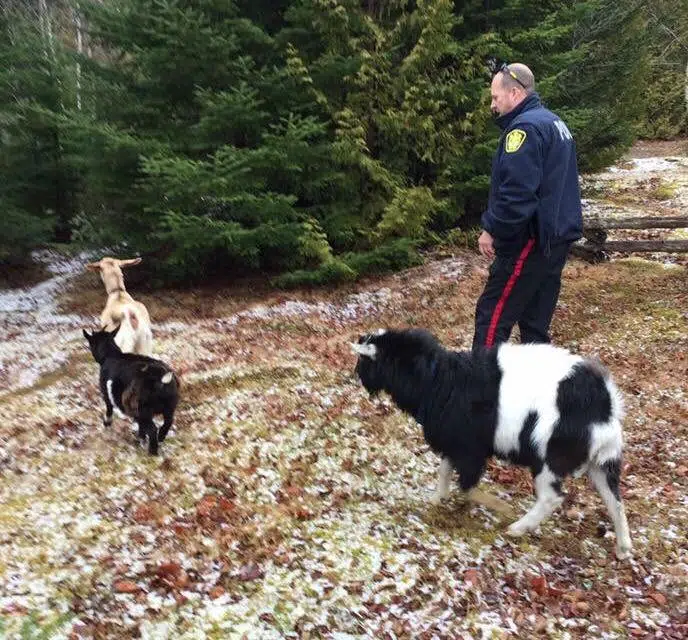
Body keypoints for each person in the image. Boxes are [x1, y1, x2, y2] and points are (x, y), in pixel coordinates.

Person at [472, 62, 583, 350]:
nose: (492, 106)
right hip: (555, 240)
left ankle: (480, 391)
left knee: (492, 318)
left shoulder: (524, 131)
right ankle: (539, 392)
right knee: (535, 326)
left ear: (515, 94)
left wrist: (492, 229)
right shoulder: (555, 123)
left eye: (496, 98)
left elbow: (517, 195)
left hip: (530, 241)